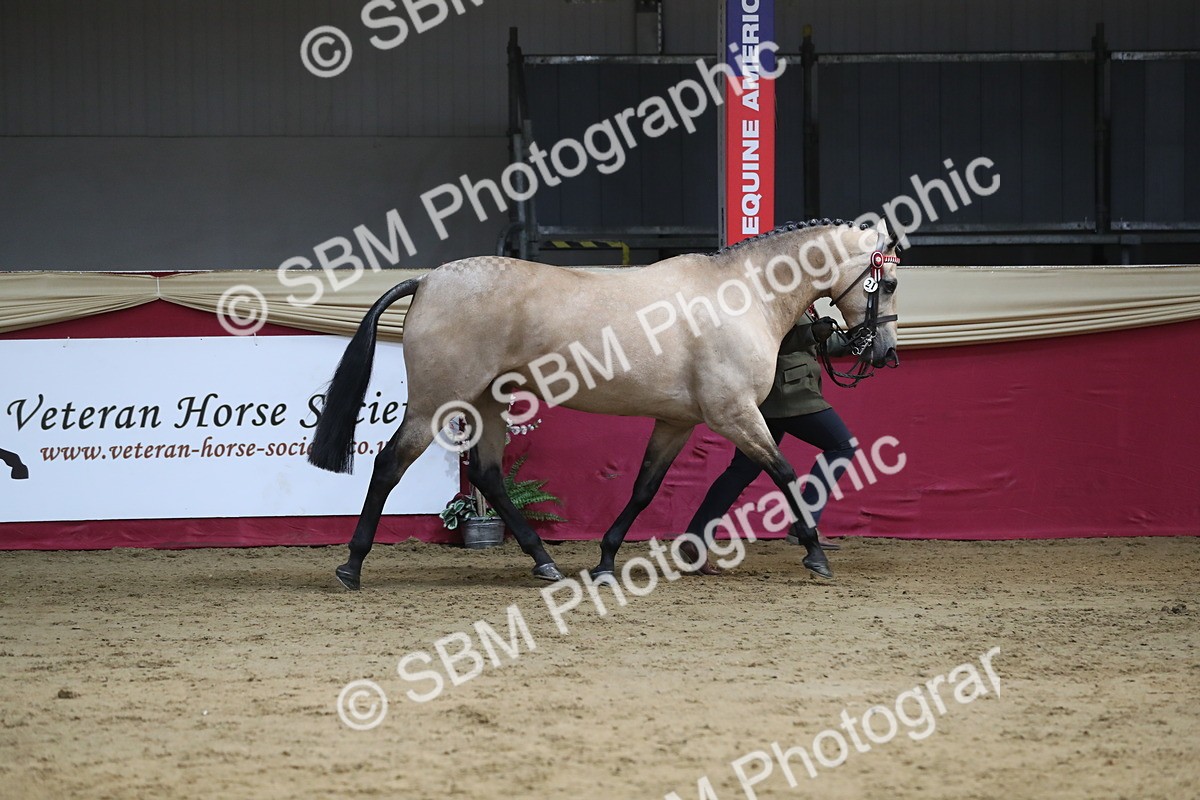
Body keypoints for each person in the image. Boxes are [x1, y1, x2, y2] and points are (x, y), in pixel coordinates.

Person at [681, 315, 856, 575]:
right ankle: (804, 521)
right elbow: (763, 340)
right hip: (787, 391)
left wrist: (854, 344)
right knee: (842, 446)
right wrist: (810, 334)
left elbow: (815, 345)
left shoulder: (805, 299)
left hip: (782, 391)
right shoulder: (774, 294)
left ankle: (696, 539)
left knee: (742, 470)